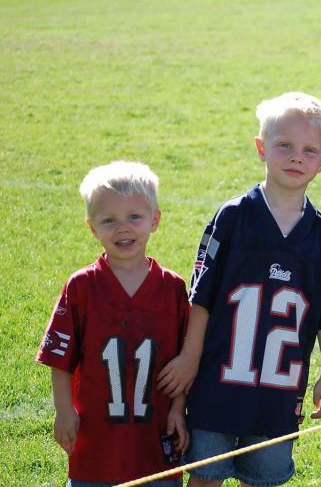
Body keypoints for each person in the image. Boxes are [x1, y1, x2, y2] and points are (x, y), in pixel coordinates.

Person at [156, 92, 321, 487]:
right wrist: (191, 360)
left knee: (262, 479)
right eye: (285, 146)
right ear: (262, 148)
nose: (297, 157)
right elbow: (201, 297)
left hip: (278, 392)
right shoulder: (232, 219)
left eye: (309, 150)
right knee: (206, 477)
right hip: (217, 383)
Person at [36, 161, 190, 486]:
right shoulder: (81, 287)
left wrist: (179, 408)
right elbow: (60, 359)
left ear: (155, 220)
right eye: (109, 220)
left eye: (134, 216)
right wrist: (64, 410)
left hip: (155, 437)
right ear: (92, 227)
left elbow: (183, 360)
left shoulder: (173, 288)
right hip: (97, 440)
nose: (123, 228)